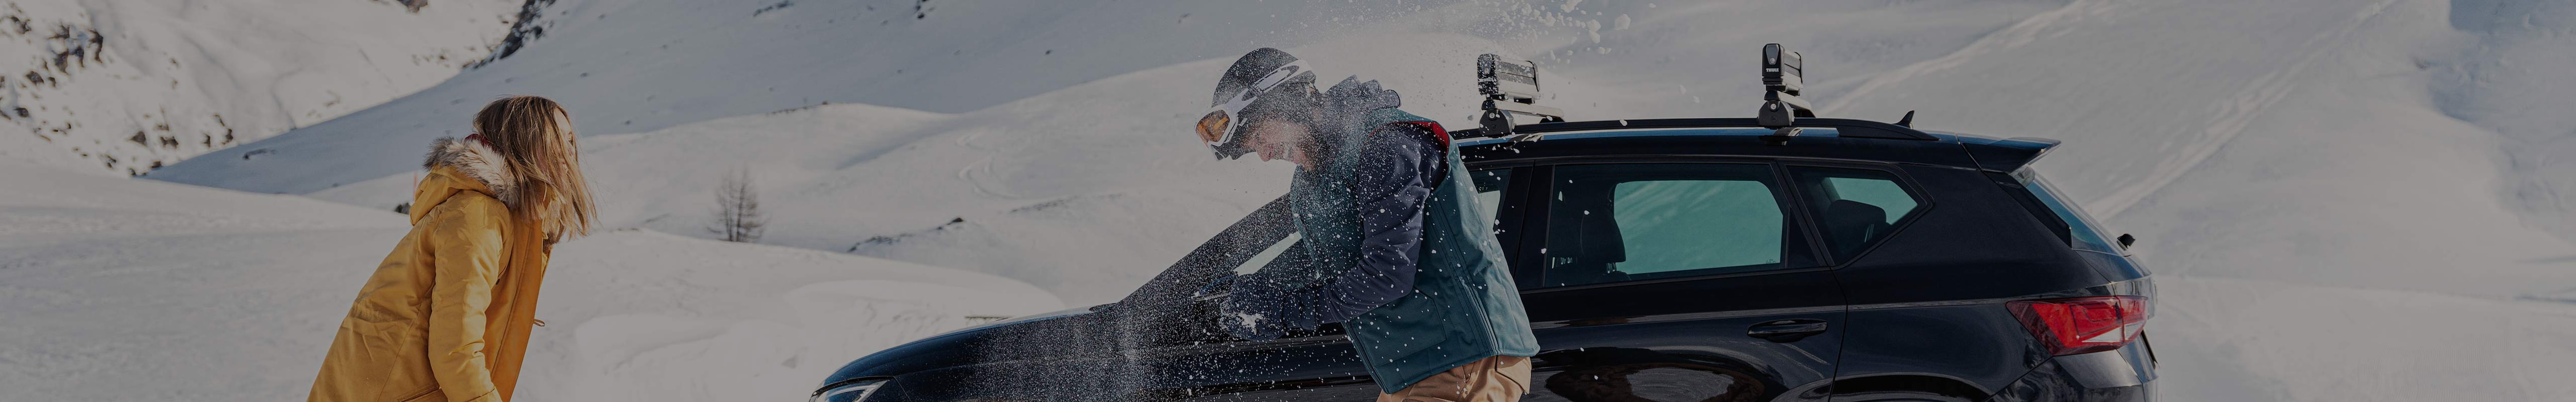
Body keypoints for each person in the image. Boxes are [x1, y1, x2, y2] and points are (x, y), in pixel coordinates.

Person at [1193, 48, 1540, 402]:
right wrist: (1256, 287)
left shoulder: (1386, 143)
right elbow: (1327, 257)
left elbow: (1387, 272)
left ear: (1287, 102)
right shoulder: (1313, 180)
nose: (1265, 155)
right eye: (1255, 149)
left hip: (1465, 358)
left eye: (1260, 137)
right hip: (1420, 366)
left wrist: (1287, 310)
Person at [309, 95, 596, 402]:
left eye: (570, 139)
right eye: (555, 140)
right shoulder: (476, 215)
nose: (569, 153)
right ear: (522, 144)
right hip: (395, 390)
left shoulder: (501, 214)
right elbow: (456, 347)